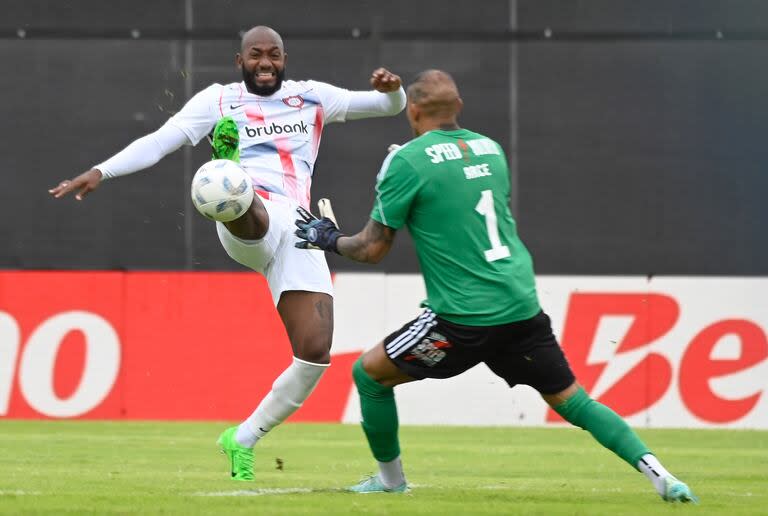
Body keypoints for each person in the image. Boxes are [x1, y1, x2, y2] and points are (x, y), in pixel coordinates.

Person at [295, 69, 697, 502]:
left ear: (412, 111)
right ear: (460, 107)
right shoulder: (492, 149)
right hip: (520, 306)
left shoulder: (406, 160)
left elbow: (373, 249)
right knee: (574, 402)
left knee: (369, 375)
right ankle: (663, 477)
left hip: (461, 319)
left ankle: (391, 482)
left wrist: (329, 238)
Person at [48, 25, 406, 481]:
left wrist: (392, 92)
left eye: (273, 55)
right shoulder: (217, 100)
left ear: (284, 58)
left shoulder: (312, 97)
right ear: (239, 61)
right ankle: (229, 170)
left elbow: (386, 107)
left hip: (300, 230)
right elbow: (161, 141)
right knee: (229, 185)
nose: (265, 62)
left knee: (315, 353)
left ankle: (243, 438)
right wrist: (102, 171)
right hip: (248, 220)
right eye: (255, 55)